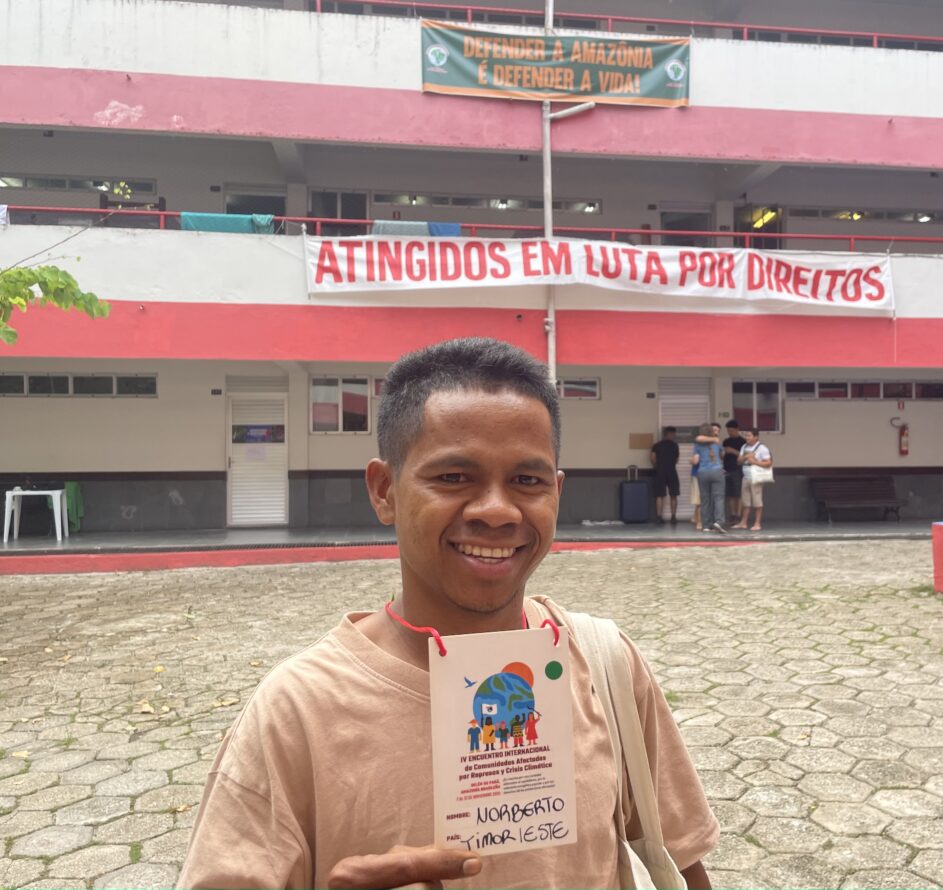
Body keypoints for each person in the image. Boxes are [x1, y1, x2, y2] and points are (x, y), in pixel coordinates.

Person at [178, 338, 718, 890]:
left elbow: (680, 859)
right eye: (453, 478)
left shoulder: (607, 666)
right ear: (385, 490)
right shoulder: (295, 714)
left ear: (556, 493)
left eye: (527, 481)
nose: (497, 511)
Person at [691, 423, 727, 534]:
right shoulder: (716, 441)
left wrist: (690, 461)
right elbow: (722, 455)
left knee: (705, 499)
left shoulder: (697, 445)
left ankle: (706, 525)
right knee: (718, 498)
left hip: (703, 472)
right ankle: (719, 522)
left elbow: (695, 461)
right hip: (717, 471)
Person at [734, 427, 772, 532]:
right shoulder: (744, 446)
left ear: (756, 437)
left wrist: (754, 462)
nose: (747, 437)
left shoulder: (762, 448)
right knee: (746, 501)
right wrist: (746, 457)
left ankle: (757, 523)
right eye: (746, 435)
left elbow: (768, 463)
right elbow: (739, 461)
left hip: (756, 477)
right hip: (745, 477)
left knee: (757, 501)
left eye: (749, 435)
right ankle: (743, 522)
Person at [650, 426, 681, 523]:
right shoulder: (675, 445)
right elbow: (677, 459)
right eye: (674, 434)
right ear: (670, 434)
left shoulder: (656, 445)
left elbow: (653, 458)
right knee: (673, 494)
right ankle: (673, 517)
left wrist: (657, 466)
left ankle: (659, 517)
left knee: (659, 495)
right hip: (671, 471)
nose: (675, 436)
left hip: (659, 471)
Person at [721, 420, 746, 523]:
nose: (730, 433)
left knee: (738, 493)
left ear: (737, 429)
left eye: (731, 430)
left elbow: (745, 456)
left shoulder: (743, 442)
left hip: (738, 469)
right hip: (727, 469)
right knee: (730, 494)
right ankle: (732, 514)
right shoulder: (726, 441)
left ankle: (738, 515)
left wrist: (733, 451)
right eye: (728, 431)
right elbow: (722, 455)